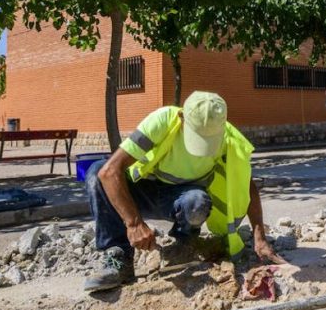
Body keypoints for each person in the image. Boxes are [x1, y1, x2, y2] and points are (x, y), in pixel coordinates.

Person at [83, 91, 283, 292]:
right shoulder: (162, 121)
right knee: (95, 174)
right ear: (182, 118)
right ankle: (118, 256)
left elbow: (246, 185)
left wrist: (260, 238)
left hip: (183, 198)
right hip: (142, 191)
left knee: (197, 201)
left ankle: (185, 243)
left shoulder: (228, 139)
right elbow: (109, 172)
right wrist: (133, 223)